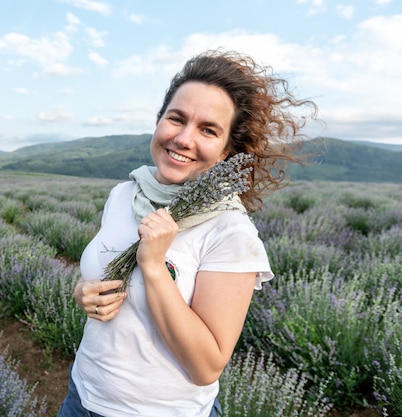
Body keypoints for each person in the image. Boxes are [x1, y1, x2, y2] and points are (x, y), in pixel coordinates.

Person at [57, 49, 318, 417]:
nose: (182, 138)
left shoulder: (231, 231)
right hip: (81, 395)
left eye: (208, 130)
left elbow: (206, 367)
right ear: (159, 120)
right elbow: (101, 281)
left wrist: (153, 266)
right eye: (176, 119)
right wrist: (84, 292)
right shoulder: (125, 193)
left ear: (227, 151)